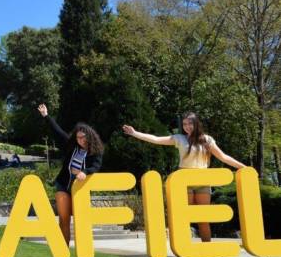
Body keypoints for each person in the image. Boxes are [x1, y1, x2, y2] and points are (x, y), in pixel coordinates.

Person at [123, 112, 246, 242]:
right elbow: (156, 139)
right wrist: (135, 133)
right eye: (184, 124)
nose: (187, 126)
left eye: (190, 123)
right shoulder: (179, 138)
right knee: (184, 217)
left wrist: (243, 167)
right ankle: (183, 248)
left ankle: (208, 248)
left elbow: (223, 157)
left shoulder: (207, 140)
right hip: (183, 181)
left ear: (196, 123)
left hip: (203, 181)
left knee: (203, 218)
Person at [37, 103, 104, 246]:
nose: (81, 140)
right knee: (64, 218)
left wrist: (85, 172)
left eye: (83, 137)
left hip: (80, 187)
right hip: (64, 185)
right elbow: (58, 131)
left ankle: (86, 253)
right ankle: (63, 252)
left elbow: (96, 166)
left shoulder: (96, 151)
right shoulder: (71, 145)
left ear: (89, 136)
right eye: (78, 137)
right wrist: (46, 115)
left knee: (82, 219)